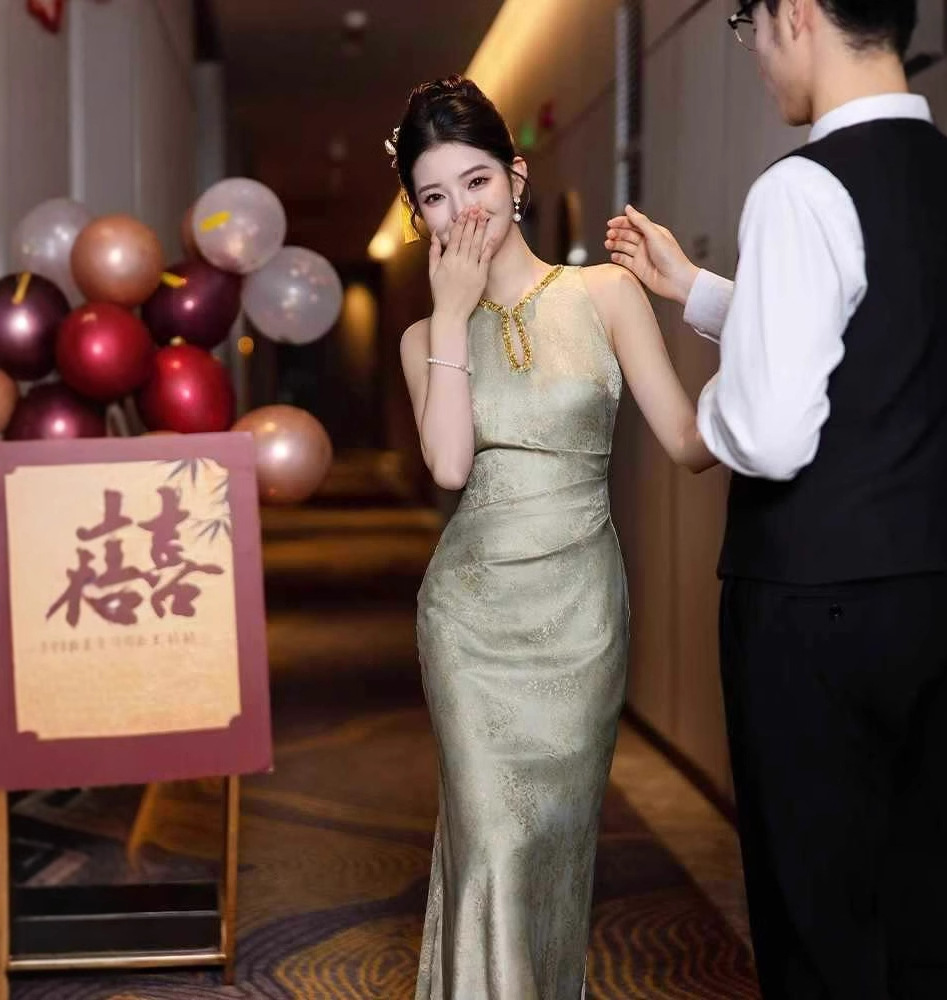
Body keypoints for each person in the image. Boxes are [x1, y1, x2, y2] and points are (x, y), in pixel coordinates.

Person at [605, 1, 947, 998]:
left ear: (796, 13)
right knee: (926, 906)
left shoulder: (800, 186)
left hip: (815, 604)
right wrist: (700, 291)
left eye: (748, 25)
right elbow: (893, 347)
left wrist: (709, 416)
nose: (755, 54)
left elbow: (770, 431)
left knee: (817, 924)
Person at [390, 75, 714, 1000]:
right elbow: (449, 465)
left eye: (478, 181)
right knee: (492, 847)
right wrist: (450, 314)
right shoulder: (422, 339)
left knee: (550, 853)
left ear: (517, 177)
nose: (463, 211)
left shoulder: (605, 293)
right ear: (417, 215)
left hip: (580, 616)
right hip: (470, 623)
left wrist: (788, 362)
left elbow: (689, 443)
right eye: (435, 197)